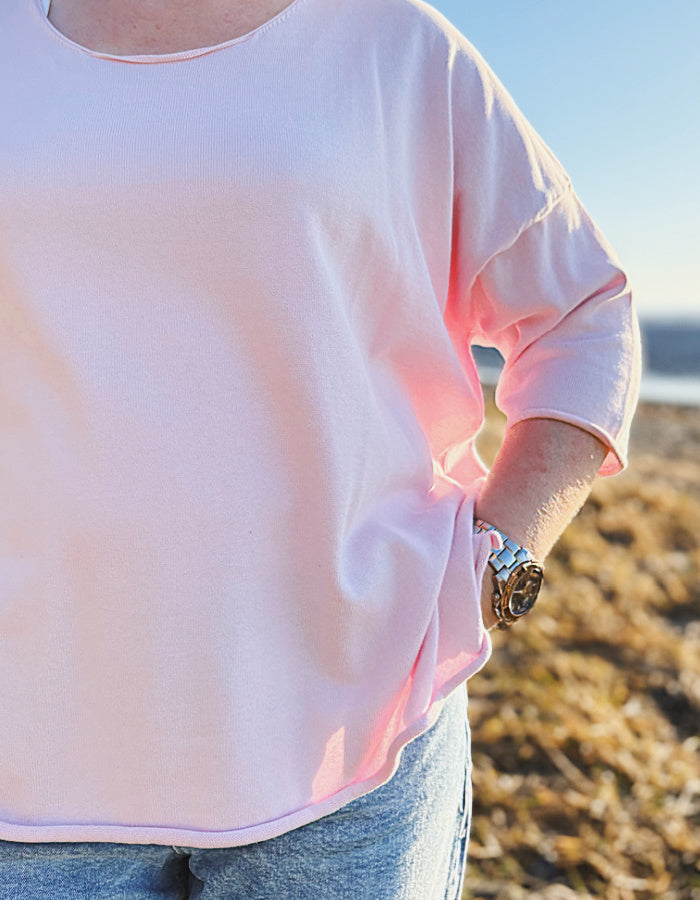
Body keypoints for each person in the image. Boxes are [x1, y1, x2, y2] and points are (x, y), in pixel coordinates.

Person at [0, 0, 640, 897]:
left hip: (357, 736)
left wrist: (500, 567)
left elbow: (582, 316)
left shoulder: (393, 40)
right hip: (28, 749)